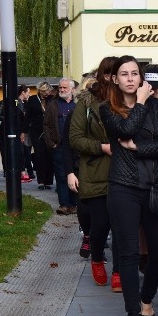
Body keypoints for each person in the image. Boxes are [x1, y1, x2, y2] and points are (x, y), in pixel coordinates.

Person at [99, 55, 158, 316]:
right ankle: (133, 315)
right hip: (123, 187)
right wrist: (141, 102)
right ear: (115, 79)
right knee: (128, 252)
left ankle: (146, 299)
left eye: (135, 73)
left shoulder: (156, 106)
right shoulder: (108, 109)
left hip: (154, 188)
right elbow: (126, 129)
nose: (130, 78)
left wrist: (137, 148)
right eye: (124, 74)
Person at [69, 58, 119, 286]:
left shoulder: (131, 100)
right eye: (108, 74)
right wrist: (101, 147)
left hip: (125, 170)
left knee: (123, 225)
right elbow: (75, 138)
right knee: (101, 223)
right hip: (96, 171)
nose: (112, 79)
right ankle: (97, 259)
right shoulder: (87, 102)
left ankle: (120, 270)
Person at [44, 78, 78, 214]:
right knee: (61, 175)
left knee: (75, 174)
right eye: (60, 88)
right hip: (59, 146)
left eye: (65, 88)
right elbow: (46, 125)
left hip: (75, 147)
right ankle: (64, 204)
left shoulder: (77, 105)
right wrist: (51, 143)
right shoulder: (53, 105)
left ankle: (74, 203)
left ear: (72, 89)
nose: (62, 90)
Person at [24, 81, 54, 190]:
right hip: (36, 131)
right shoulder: (32, 100)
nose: (46, 93)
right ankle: (41, 181)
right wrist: (24, 132)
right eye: (44, 91)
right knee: (40, 155)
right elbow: (27, 116)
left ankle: (48, 181)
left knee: (49, 155)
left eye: (48, 91)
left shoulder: (52, 99)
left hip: (50, 131)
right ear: (40, 90)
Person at [15, 85, 34, 183]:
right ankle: (21, 173)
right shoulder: (16, 102)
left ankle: (24, 172)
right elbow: (15, 114)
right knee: (21, 152)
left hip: (23, 130)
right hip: (18, 130)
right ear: (23, 92)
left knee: (24, 152)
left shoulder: (25, 103)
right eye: (28, 92)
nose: (29, 94)